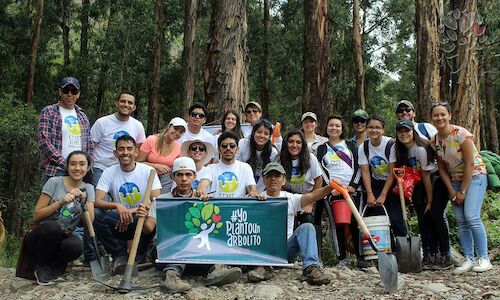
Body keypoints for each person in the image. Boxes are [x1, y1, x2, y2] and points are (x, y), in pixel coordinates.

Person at [140, 157, 242, 293]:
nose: (184, 179)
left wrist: (207, 205)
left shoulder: (202, 200)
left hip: (196, 253)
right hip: (163, 252)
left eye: (188, 174)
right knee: (183, 237)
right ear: (173, 177)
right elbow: (149, 229)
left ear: (194, 177)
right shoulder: (162, 200)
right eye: (180, 175)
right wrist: (143, 217)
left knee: (205, 239)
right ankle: (170, 277)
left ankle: (214, 271)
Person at [430, 102, 492, 274]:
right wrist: (452, 190)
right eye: (436, 115)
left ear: (449, 115)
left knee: (471, 216)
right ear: (432, 119)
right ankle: (468, 258)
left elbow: (470, 163)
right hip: (455, 180)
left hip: (475, 176)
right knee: (461, 220)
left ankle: (484, 258)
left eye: (443, 114)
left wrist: (462, 191)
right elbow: (442, 167)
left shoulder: (461, 134)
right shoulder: (435, 140)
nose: (440, 118)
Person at [247, 162, 332, 285]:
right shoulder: (254, 199)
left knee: (307, 227)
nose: (273, 179)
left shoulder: (291, 198)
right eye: (269, 176)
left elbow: (314, 195)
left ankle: (311, 268)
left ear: (284, 180)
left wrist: (331, 187)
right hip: (261, 250)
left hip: (285, 250)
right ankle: (262, 268)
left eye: (277, 176)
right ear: (264, 180)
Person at [92, 135, 162, 273]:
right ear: (115, 153)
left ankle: (140, 255)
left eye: (129, 149)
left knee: (152, 219)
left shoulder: (148, 171)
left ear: (136, 151)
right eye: (121, 149)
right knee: (96, 214)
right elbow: (98, 201)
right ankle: (119, 255)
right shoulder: (109, 172)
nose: (125, 152)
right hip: (120, 220)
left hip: (140, 219)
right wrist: (117, 206)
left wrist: (132, 211)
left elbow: (157, 200)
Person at [395, 99, 450, 268]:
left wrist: (430, 201)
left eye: (407, 131)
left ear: (413, 131)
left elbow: (427, 176)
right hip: (419, 183)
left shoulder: (421, 148)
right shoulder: (400, 149)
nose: (404, 134)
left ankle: (445, 254)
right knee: (423, 218)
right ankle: (429, 253)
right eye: (401, 132)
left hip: (435, 180)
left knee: (435, 214)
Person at [26, 150, 95, 285]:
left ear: (88, 168)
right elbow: (37, 215)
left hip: (63, 237)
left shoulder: (89, 188)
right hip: (41, 236)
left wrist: (83, 201)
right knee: (53, 227)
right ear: (67, 167)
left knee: (76, 245)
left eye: (82, 164)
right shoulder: (54, 182)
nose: (77, 168)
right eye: (73, 164)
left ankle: (57, 267)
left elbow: (89, 223)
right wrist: (61, 202)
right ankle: (42, 266)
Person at [315, 115, 363, 267]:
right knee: (337, 224)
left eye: (337, 125)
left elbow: (359, 167)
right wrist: (332, 188)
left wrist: (353, 187)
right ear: (326, 128)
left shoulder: (351, 145)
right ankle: (341, 258)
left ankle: (362, 258)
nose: (334, 128)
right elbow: (321, 171)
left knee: (356, 223)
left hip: (352, 191)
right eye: (331, 125)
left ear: (342, 129)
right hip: (333, 192)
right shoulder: (321, 148)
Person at [38, 77, 92, 185]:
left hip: (80, 171)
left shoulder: (82, 116)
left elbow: (89, 144)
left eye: (74, 91)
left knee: (78, 201)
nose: (70, 94)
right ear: (60, 92)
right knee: (54, 202)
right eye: (66, 90)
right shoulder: (49, 111)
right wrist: (65, 163)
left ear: (78, 94)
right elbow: (44, 141)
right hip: (56, 170)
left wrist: (86, 165)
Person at [358, 115, 405, 237]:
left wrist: (383, 194)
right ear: (366, 129)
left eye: (377, 127)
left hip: (392, 182)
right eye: (371, 127)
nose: (374, 130)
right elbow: (365, 171)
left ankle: (403, 247)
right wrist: (370, 193)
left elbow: (392, 171)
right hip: (375, 183)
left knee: (396, 219)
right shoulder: (363, 147)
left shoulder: (390, 144)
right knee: (378, 217)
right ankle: (385, 249)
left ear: (383, 130)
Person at [90, 92, 146, 187]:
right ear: (116, 103)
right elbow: (90, 147)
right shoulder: (102, 123)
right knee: (102, 200)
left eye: (130, 103)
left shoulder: (138, 126)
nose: (126, 105)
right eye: (123, 101)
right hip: (101, 168)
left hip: (124, 170)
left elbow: (138, 149)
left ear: (134, 107)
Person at [196, 131, 261, 198]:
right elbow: (203, 184)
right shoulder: (211, 168)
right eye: (224, 146)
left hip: (238, 208)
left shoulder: (245, 167)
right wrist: (201, 191)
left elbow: (252, 188)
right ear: (218, 149)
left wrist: (253, 191)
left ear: (237, 149)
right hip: (216, 207)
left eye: (232, 146)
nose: (228, 148)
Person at [280, 130, 323, 225]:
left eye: (298, 142)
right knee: (287, 222)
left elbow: (319, 181)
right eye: (291, 141)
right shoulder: (280, 159)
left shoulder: (311, 158)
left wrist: (310, 203)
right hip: (288, 197)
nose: (294, 145)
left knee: (308, 220)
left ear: (303, 144)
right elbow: (279, 183)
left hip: (307, 195)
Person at [137, 117, 187, 193]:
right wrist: (156, 166)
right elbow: (138, 162)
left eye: (181, 132)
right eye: (176, 129)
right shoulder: (151, 140)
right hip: (148, 175)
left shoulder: (178, 147)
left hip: (166, 178)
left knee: (162, 200)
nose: (177, 133)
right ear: (169, 126)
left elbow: (180, 167)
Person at [237, 119, 279, 192]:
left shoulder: (273, 152)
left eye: (266, 133)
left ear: (269, 136)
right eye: (259, 132)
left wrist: (257, 192)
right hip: (240, 182)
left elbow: (267, 175)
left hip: (261, 186)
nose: (262, 136)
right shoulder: (243, 144)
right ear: (253, 132)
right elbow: (236, 166)